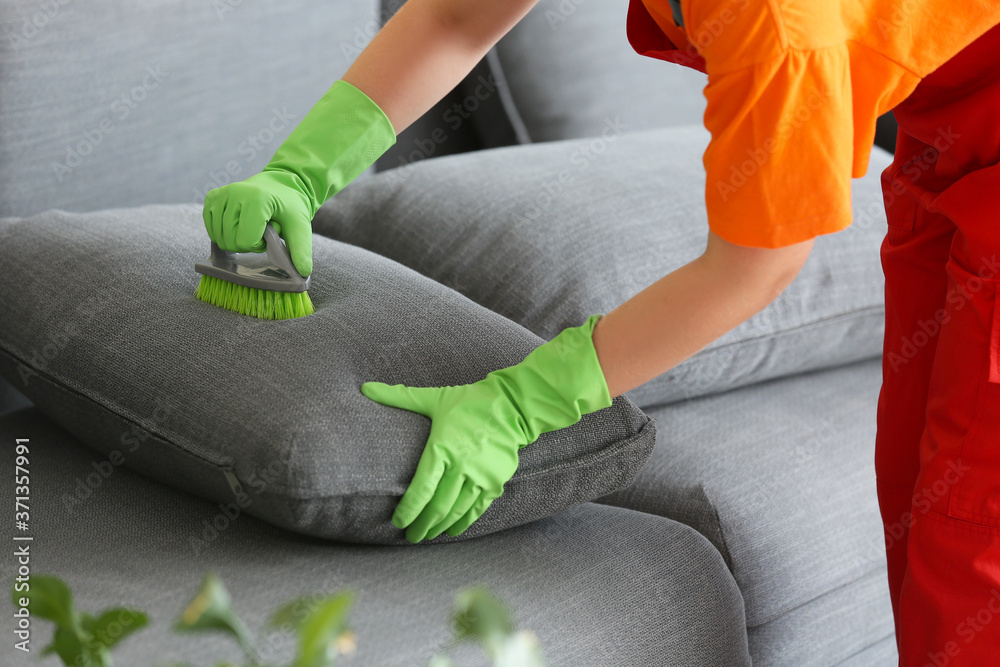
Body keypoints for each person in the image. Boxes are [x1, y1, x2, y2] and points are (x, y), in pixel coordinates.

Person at [201, 0, 1000, 662]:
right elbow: (455, 17)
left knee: (967, 550)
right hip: (948, 132)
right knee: (916, 493)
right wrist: (300, 170)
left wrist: (521, 403)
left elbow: (753, 268)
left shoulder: (780, 23)